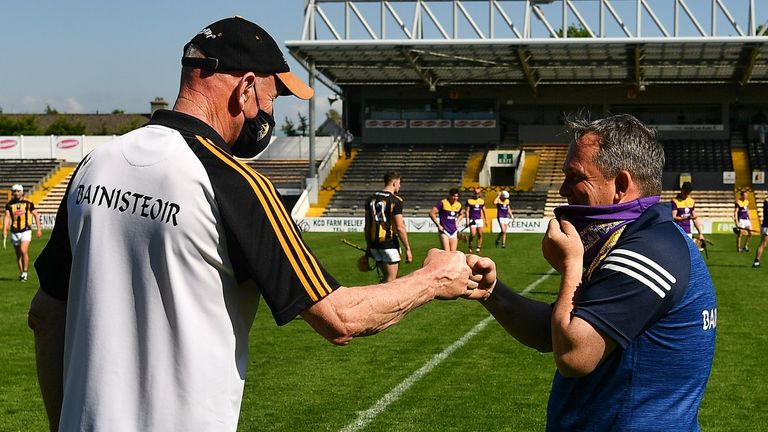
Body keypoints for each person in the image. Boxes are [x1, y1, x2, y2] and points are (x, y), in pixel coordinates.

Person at [28, 17, 487, 432]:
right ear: (245, 88)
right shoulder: (237, 184)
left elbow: (45, 315)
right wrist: (434, 278)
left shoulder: (95, 164)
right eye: (273, 97)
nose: (271, 113)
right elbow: (341, 318)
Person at [468, 113, 717, 430]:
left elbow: (574, 354)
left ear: (621, 184)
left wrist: (571, 264)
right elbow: (554, 331)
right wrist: (492, 292)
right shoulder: (642, 236)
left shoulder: (649, 251)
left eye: (575, 177)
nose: (562, 190)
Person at [363, 171, 413, 281]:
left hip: (374, 245)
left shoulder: (370, 199)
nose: (400, 186)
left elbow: (367, 226)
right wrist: (408, 248)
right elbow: (400, 227)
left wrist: (368, 247)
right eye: (399, 183)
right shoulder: (395, 200)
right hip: (389, 244)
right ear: (394, 183)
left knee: (385, 278)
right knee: (391, 281)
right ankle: (375, 298)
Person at [3, 183, 42, 281]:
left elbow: (36, 215)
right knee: (18, 254)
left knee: (23, 250)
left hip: (26, 230)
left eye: (18, 191)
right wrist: (4, 230)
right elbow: (7, 217)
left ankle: (25, 272)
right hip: (14, 231)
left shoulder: (28, 203)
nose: (16, 193)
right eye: (14, 192)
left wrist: (38, 229)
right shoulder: (9, 204)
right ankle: (22, 274)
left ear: (22, 192)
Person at [671, 181, 705, 249]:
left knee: (688, 253)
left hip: (687, 231)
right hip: (677, 231)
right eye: (685, 192)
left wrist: (700, 233)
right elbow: (673, 217)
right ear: (682, 190)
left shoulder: (691, 201)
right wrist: (686, 218)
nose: (686, 194)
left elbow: (695, 218)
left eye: (688, 193)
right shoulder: (674, 201)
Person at [464, 187, 486, 253]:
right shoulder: (469, 201)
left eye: (478, 193)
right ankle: (470, 245)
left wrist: (486, 219)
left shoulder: (482, 201)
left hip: (479, 219)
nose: (477, 194)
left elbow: (484, 210)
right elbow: (467, 211)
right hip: (472, 219)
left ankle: (478, 247)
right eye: (476, 193)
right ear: (474, 193)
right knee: (473, 234)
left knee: (480, 234)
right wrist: (467, 220)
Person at [753, 195, 768, 267]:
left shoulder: (766, 201)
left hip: (765, 225)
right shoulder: (766, 202)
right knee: (763, 244)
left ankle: (756, 261)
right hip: (767, 226)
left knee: (763, 244)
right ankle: (756, 261)